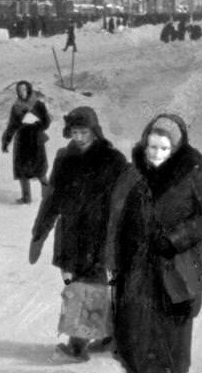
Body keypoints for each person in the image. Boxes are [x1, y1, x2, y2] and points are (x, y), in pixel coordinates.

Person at [105, 114, 202, 373]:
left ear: (176, 148)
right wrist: (112, 261)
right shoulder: (133, 175)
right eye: (151, 146)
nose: (156, 153)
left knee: (168, 339)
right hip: (135, 269)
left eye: (164, 147)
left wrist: (175, 239)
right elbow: (116, 220)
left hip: (174, 270)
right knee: (130, 332)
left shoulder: (192, 173)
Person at [29, 107, 128, 359]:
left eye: (84, 131)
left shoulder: (112, 159)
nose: (80, 137)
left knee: (88, 288)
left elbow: (127, 198)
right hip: (72, 232)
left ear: (94, 130)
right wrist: (40, 232)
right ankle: (111, 337)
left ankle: (78, 346)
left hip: (100, 233)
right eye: (74, 132)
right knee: (80, 284)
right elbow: (52, 198)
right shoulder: (64, 158)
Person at [1, 80, 51, 204]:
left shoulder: (38, 104)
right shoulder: (16, 107)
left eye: (23, 89)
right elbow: (12, 125)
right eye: (19, 90)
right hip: (22, 141)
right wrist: (6, 140)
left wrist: (36, 123)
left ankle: (50, 196)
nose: (21, 92)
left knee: (40, 170)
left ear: (28, 89)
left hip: (35, 140)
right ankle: (26, 198)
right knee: (21, 170)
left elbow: (46, 122)